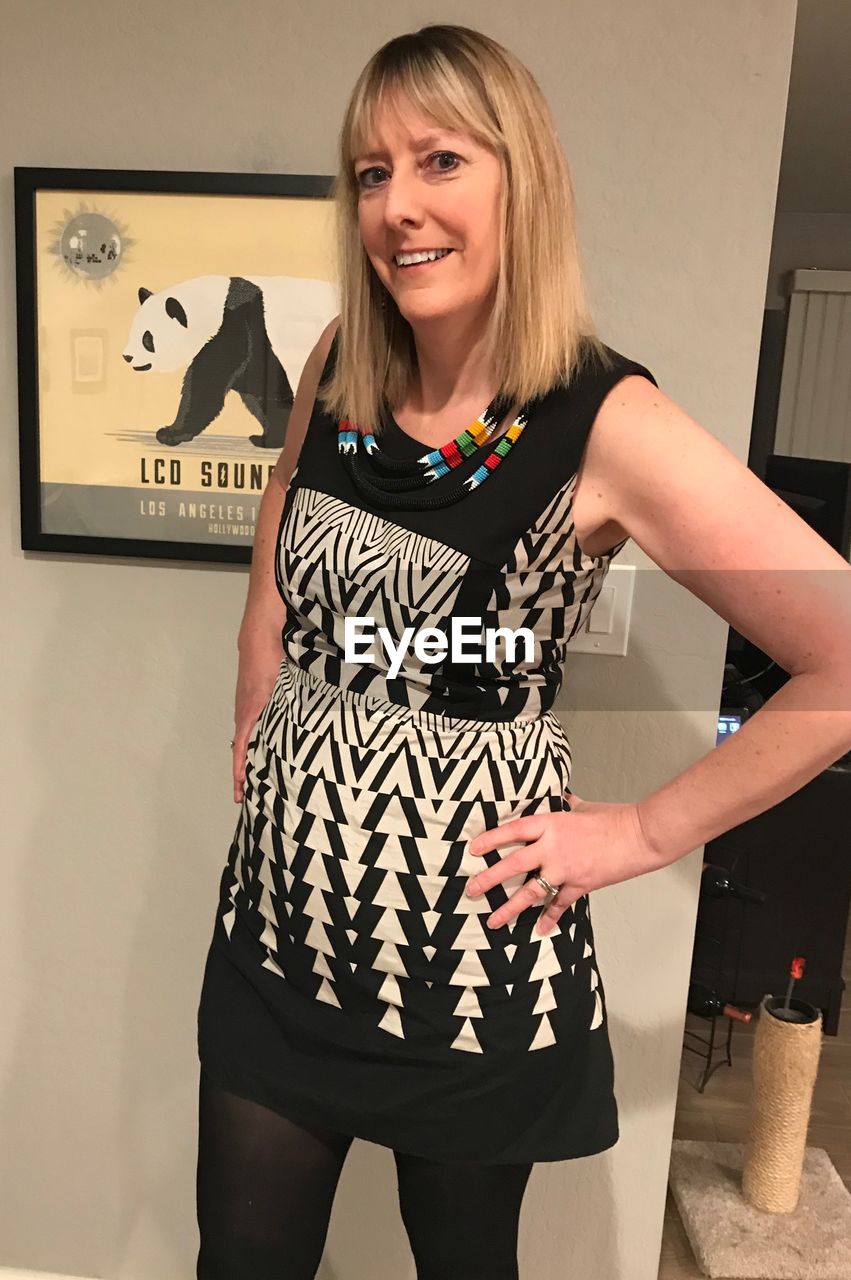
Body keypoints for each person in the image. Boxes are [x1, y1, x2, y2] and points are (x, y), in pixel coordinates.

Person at [195, 22, 851, 1280]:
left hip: (465, 957)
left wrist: (644, 832)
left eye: (438, 159)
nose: (397, 205)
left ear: (518, 179)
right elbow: (279, 534)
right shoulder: (337, 362)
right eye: (371, 172)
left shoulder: (604, 420)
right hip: (275, 934)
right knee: (243, 1261)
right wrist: (255, 696)